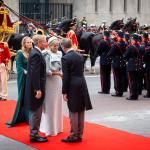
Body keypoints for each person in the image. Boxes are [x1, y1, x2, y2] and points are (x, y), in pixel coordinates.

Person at [61, 38, 92, 143]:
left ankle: (73, 135)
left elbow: (66, 77)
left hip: (72, 85)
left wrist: (64, 91)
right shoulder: (79, 56)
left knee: (73, 110)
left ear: (63, 47)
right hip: (82, 83)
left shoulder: (65, 58)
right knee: (81, 110)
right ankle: (79, 134)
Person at [24, 34, 48, 142]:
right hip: (36, 89)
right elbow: (35, 73)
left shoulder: (35, 53)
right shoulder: (36, 54)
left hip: (35, 87)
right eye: (44, 42)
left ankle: (34, 133)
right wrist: (37, 89)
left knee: (36, 111)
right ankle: (34, 135)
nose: (46, 44)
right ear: (38, 43)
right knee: (36, 111)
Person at [6, 36, 32, 127]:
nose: (29, 44)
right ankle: (21, 117)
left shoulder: (32, 52)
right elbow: (18, 66)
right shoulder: (20, 53)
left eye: (30, 42)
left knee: (29, 97)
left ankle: (28, 117)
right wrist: (25, 72)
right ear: (24, 43)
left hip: (30, 77)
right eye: (28, 42)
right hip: (23, 78)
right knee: (22, 96)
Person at [40, 36, 63, 136]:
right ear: (49, 45)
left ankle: (57, 127)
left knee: (58, 104)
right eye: (54, 45)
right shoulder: (45, 54)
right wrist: (57, 73)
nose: (56, 47)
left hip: (58, 81)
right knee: (50, 105)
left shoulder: (60, 53)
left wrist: (60, 74)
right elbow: (45, 71)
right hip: (50, 81)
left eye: (58, 45)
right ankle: (49, 129)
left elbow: (62, 67)